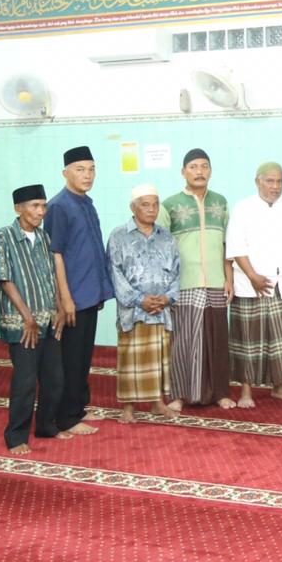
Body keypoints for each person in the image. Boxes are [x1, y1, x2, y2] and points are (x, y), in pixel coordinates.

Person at [0, 184, 69, 455]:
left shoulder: (45, 238)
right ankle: (16, 437)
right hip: (23, 325)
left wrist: (59, 308)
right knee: (25, 382)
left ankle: (46, 426)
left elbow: (52, 276)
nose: (41, 212)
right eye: (35, 206)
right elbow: (5, 279)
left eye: (43, 206)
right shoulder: (5, 236)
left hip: (48, 320)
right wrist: (27, 317)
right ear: (18, 208)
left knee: (54, 378)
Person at [45, 145, 113, 438]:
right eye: (80, 169)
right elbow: (55, 254)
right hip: (72, 297)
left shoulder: (86, 202)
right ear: (65, 173)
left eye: (91, 169)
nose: (87, 175)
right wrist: (65, 298)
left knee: (83, 356)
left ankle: (77, 407)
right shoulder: (60, 206)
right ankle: (65, 417)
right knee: (69, 359)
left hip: (89, 293)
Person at [158, 148, 235, 410]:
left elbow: (228, 245)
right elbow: (160, 247)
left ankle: (220, 392)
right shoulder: (169, 205)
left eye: (204, 166)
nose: (199, 171)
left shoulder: (221, 202)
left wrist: (229, 279)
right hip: (184, 283)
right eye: (193, 167)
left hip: (215, 281)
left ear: (210, 170)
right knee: (184, 340)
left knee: (216, 339)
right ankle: (179, 395)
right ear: (183, 172)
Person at [226, 162, 282, 407]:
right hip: (251, 285)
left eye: (279, 181)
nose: (275, 186)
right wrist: (251, 275)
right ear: (257, 181)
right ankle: (246, 392)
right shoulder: (243, 207)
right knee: (248, 341)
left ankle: (279, 387)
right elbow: (236, 245)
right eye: (270, 181)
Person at [107, 185, 181, 424]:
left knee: (159, 359)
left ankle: (157, 403)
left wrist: (167, 297)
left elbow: (178, 272)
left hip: (161, 310)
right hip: (133, 311)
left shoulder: (167, 237)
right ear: (133, 207)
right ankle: (128, 407)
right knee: (130, 359)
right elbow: (114, 273)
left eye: (155, 204)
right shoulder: (119, 236)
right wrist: (140, 300)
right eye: (145, 204)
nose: (151, 210)